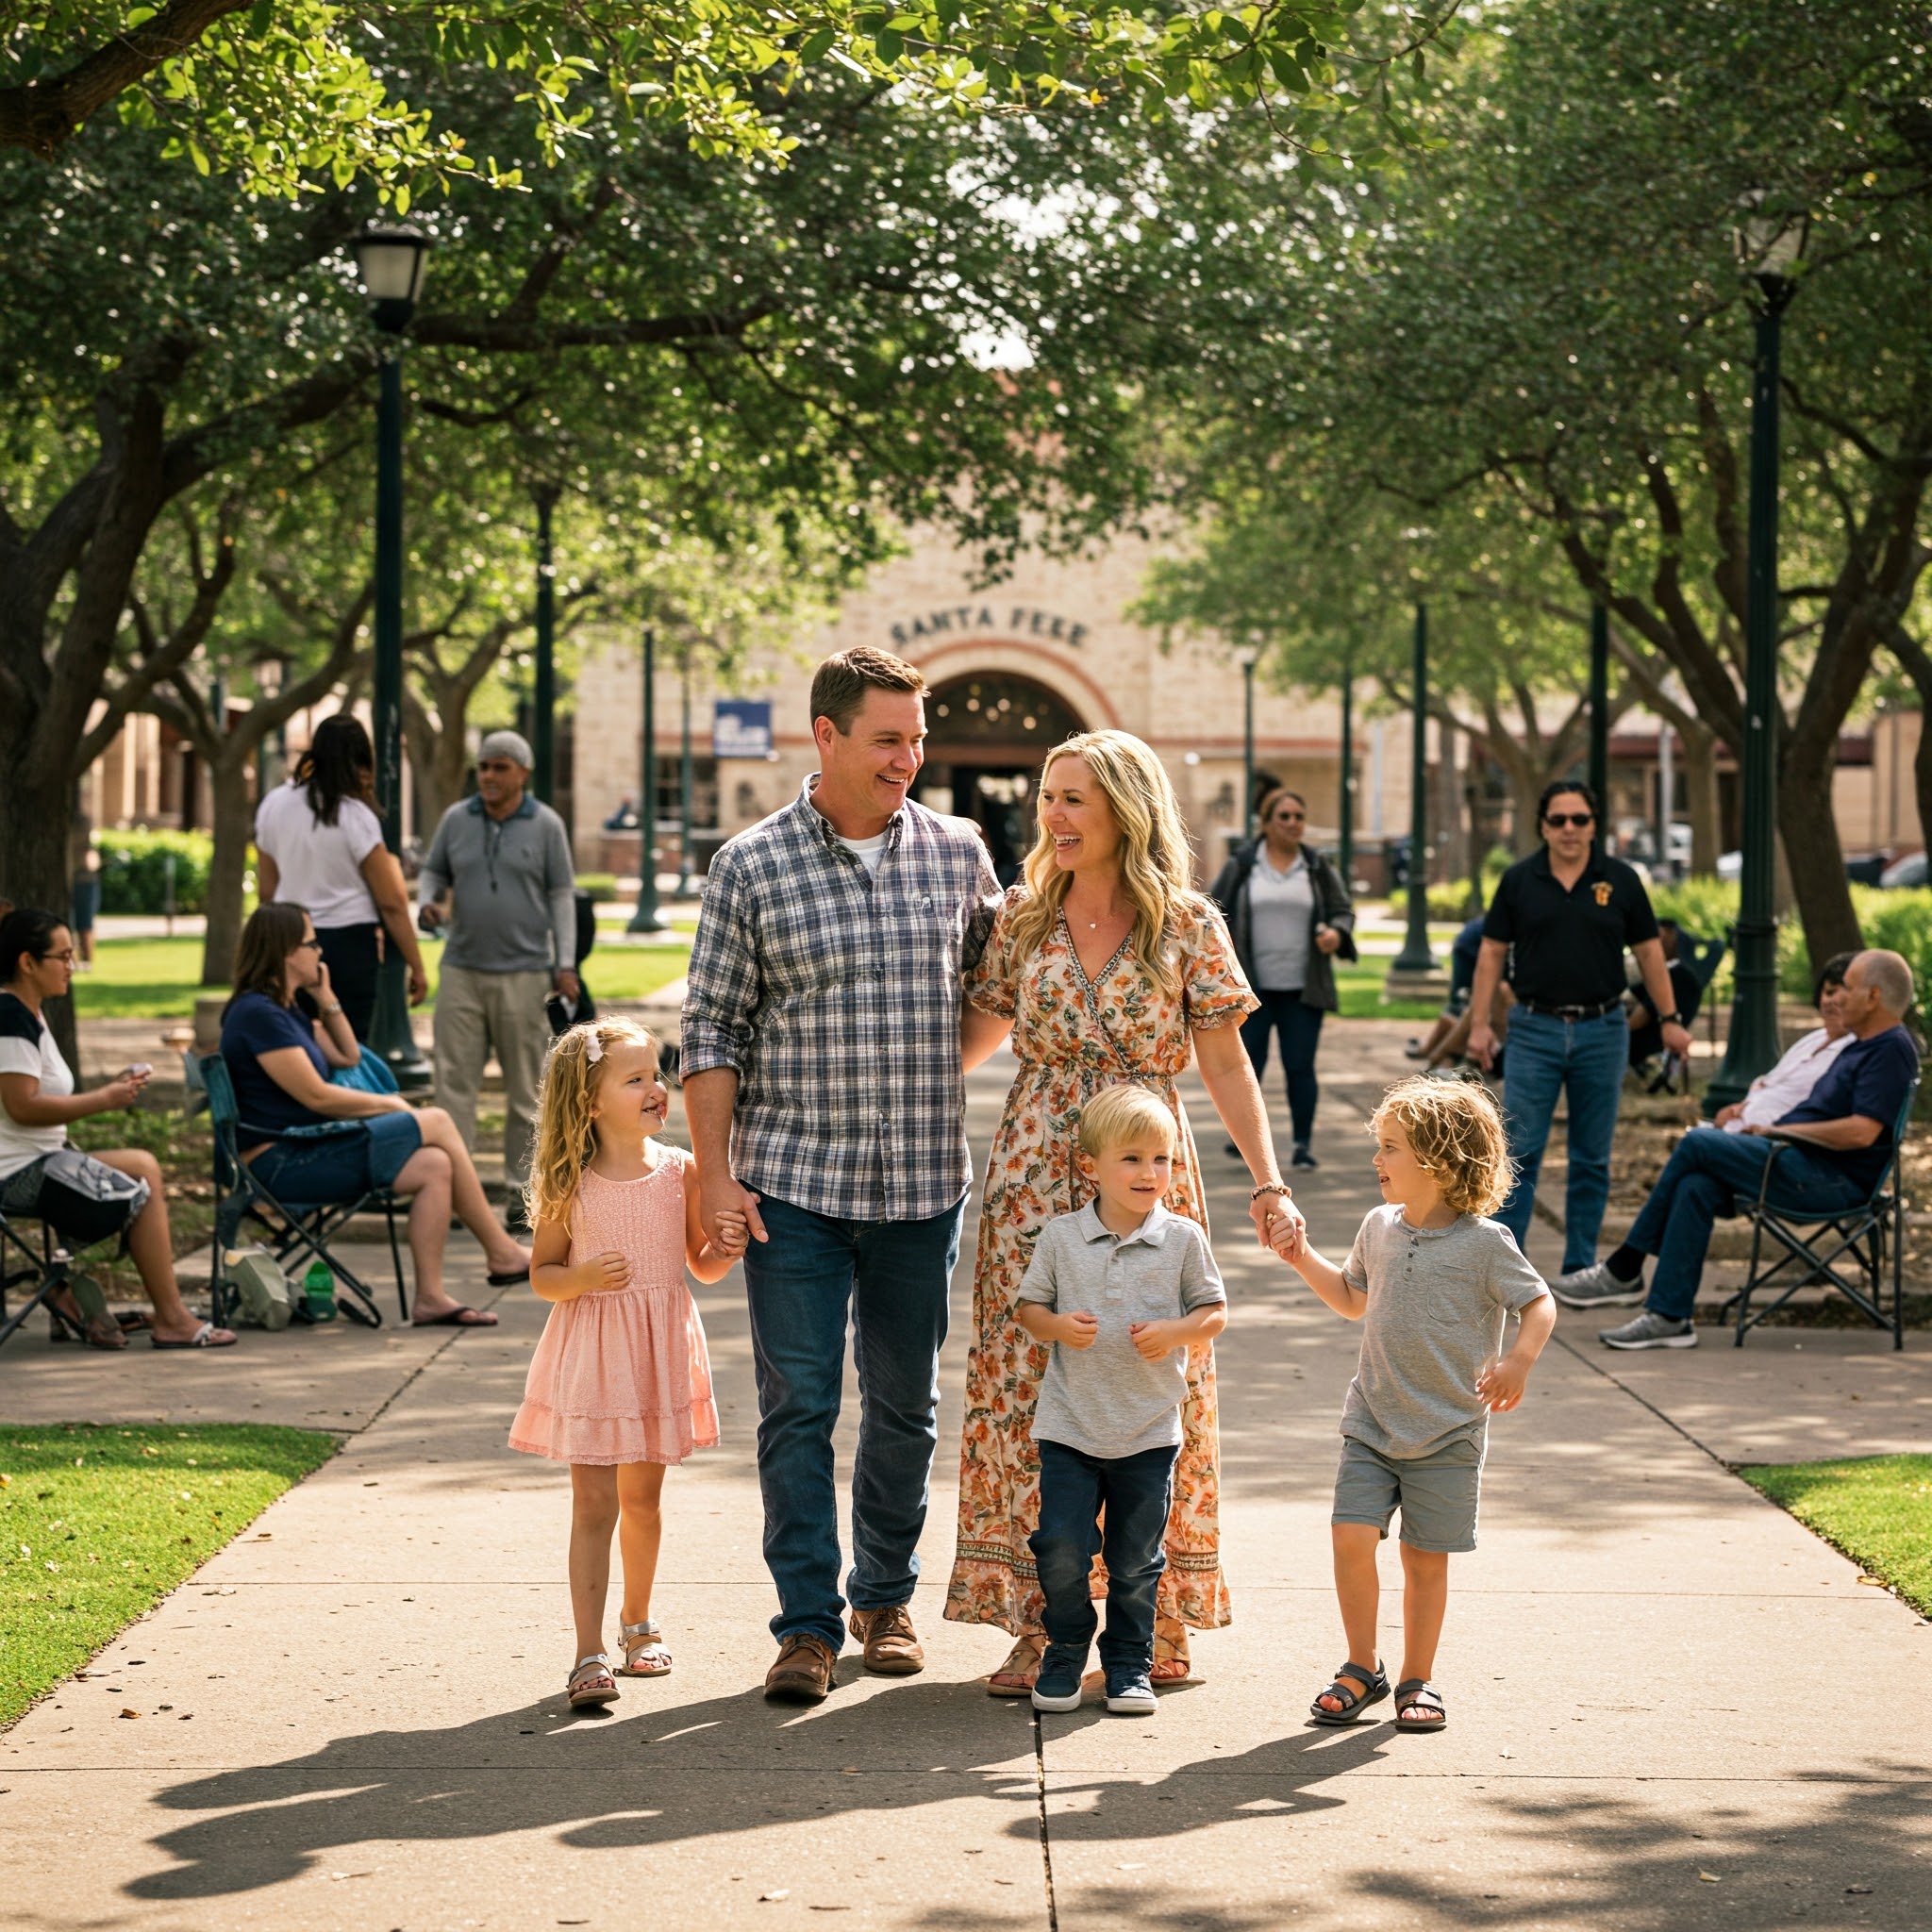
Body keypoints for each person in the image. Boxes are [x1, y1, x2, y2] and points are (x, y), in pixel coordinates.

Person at [680, 646, 1004, 1706]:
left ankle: (883, 1598)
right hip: (793, 1190)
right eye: (887, 738)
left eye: (916, 738)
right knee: (800, 1405)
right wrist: (714, 1178)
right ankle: (807, 1626)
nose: (909, 757)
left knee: (905, 1406)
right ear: (824, 736)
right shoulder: (749, 863)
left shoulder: (958, 852)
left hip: (919, 1186)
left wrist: (924, 1066)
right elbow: (713, 1027)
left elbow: (997, 989)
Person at [947, 728, 1300, 1697]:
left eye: (1072, 799)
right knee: (1025, 1391)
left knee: (1152, 1382)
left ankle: (1155, 1624)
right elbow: (971, 1039)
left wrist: (1266, 1182)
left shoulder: (1185, 923)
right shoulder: (1019, 917)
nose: (1049, 816)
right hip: (1033, 1177)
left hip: (1149, 1176)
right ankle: (1035, 1620)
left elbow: (1227, 1061)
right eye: (1046, 797)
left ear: (1123, 811)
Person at [1271, 1074, 1555, 1732]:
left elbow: (1539, 1303)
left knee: (1424, 1560)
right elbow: (1350, 1299)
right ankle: (1360, 1666)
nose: (1377, 1160)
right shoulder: (1379, 1226)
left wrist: (1518, 1360)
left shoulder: (1486, 1245)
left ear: (1442, 1160)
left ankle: (1416, 1678)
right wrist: (1299, 1256)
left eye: (1391, 1147)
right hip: (1372, 1417)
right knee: (1350, 1536)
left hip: (1449, 1430)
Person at [508, 1019, 746, 1710]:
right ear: (589, 1101)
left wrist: (727, 1245)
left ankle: (639, 1625)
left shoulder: (681, 1171)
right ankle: (587, 1654)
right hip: (595, 1354)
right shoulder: (568, 1181)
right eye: (636, 1078)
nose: (656, 1089)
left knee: (643, 1500)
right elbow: (543, 1276)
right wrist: (579, 1276)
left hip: (657, 1350)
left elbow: (702, 1268)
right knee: (593, 1504)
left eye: (657, 1075)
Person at [1555, 949, 1921, 1349]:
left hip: (1823, 1180)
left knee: (1697, 1142)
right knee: (1696, 1185)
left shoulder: (1890, 1050)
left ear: (1873, 997)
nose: (1836, 998)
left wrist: (1781, 1132)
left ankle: (1625, 1267)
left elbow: (1862, 1132)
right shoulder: (1858, 1045)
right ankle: (1669, 1316)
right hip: (1796, 1162)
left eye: (1847, 989)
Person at [1016, 1085, 1229, 1719]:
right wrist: (1056, 1327)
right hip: (1070, 1425)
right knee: (1059, 1545)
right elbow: (1027, 1309)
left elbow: (1214, 1313)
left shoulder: (1183, 1239)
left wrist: (1176, 1333)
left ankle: (1129, 1660)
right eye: (1132, 1159)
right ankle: (1066, 1646)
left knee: (1137, 1558)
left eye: (1160, 1159)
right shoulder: (1062, 1237)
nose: (1149, 1173)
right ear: (1092, 1166)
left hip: (1148, 1429)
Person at [220, 901, 530, 1325]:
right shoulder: (257, 1015)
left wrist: (324, 997)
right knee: (436, 1120)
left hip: (306, 1150)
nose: (320, 952)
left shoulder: (285, 1009)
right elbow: (318, 1098)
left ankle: (431, 1298)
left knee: (435, 1165)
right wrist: (392, 1104)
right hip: (280, 1162)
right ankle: (501, 1251)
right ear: (287, 951)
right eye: (312, 944)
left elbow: (347, 1056)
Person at [1466, 780, 1691, 1274]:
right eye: (1559, 820)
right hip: (1533, 1029)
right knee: (1519, 1151)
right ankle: (1507, 1269)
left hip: (1602, 1030)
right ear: (1543, 827)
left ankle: (1579, 1267)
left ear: (1595, 826)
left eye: (1580, 819)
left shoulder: (1622, 880)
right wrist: (1480, 1024)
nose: (1570, 829)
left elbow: (1651, 952)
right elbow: (1491, 953)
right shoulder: (1520, 880)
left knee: (1591, 1159)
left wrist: (1670, 1019)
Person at [0, 908, 238, 1349]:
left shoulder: (30, 1014)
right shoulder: (10, 1019)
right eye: (63, 956)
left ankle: (74, 1292)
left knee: (144, 1165)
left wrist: (110, 1091)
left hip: (43, 1161)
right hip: (15, 1174)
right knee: (137, 1188)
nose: (72, 966)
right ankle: (171, 1319)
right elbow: (22, 1109)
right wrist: (105, 1099)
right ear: (27, 963)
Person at [418, 730, 580, 1193]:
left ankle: (519, 1189)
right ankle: (452, 1187)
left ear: (523, 774)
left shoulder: (546, 824)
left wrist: (564, 963)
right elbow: (434, 871)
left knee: (526, 1091)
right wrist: (429, 900)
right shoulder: (456, 819)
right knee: (453, 1087)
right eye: (483, 767)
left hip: (525, 972)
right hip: (461, 969)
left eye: (499, 767)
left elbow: (561, 894)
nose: (487, 776)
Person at [1210, 785, 1357, 1169]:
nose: (1293, 824)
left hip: (1303, 988)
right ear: (1266, 823)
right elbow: (1213, 913)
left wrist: (1336, 934)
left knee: (1299, 1066)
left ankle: (1302, 1145)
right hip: (1251, 990)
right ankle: (1244, 1141)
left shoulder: (1316, 865)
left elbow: (1343, 909)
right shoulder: (1243, 864)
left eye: (1299, 817)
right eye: (1284, 817)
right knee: (1247, 1065)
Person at [256, 715, 428, 1041]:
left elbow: (267, 890)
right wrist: (416, 965)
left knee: (295, 1042)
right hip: (349, 946)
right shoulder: (354, 815)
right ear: (362, 760)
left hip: (288, 940)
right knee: (348, 1047)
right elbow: (391, 902)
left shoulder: (273, 805)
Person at [1713, 952, 1856, 1135]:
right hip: (1739, 1130)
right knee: (1695, 1140)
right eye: (1828, 992)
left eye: (1842, 994)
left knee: (1695, 1144)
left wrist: (1770, 1128)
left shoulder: (1853, 1049)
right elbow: (1769, 1083)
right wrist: (1739, 1108)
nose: (1832, 1001)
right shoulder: (1814, 1039)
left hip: (1775, 1141)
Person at [1624, 919, 1704, 1072]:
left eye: (1658, 937)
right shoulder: (1677, 973)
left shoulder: (1677, 976)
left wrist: (1615, 1031)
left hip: (1647, 1042)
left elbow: (1644, 1014)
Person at [1405, 916, 1486, 1064]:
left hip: (1473, 940)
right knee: (1462, 1001)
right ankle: (1437, 1052)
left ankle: (1437, 1052)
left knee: (1463, 1003)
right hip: (1472, 944)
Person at [69, 809, 100, 970]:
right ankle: (74, 962)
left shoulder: (82, 821)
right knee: (71, 923)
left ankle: (86, 962)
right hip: (77, 878)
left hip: (83, 879)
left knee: (84, 924)